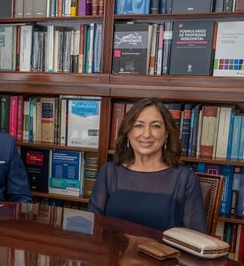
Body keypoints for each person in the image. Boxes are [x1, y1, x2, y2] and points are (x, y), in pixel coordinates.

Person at [88, 98, 206, 232]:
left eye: (155, 126)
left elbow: (195, 237)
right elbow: (93, 227)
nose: (146, 134)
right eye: (139, 125)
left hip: (165, 253)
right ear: (128, 132)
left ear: (166, 133)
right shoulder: (109, 172)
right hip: (114, 252)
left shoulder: (185, 179)